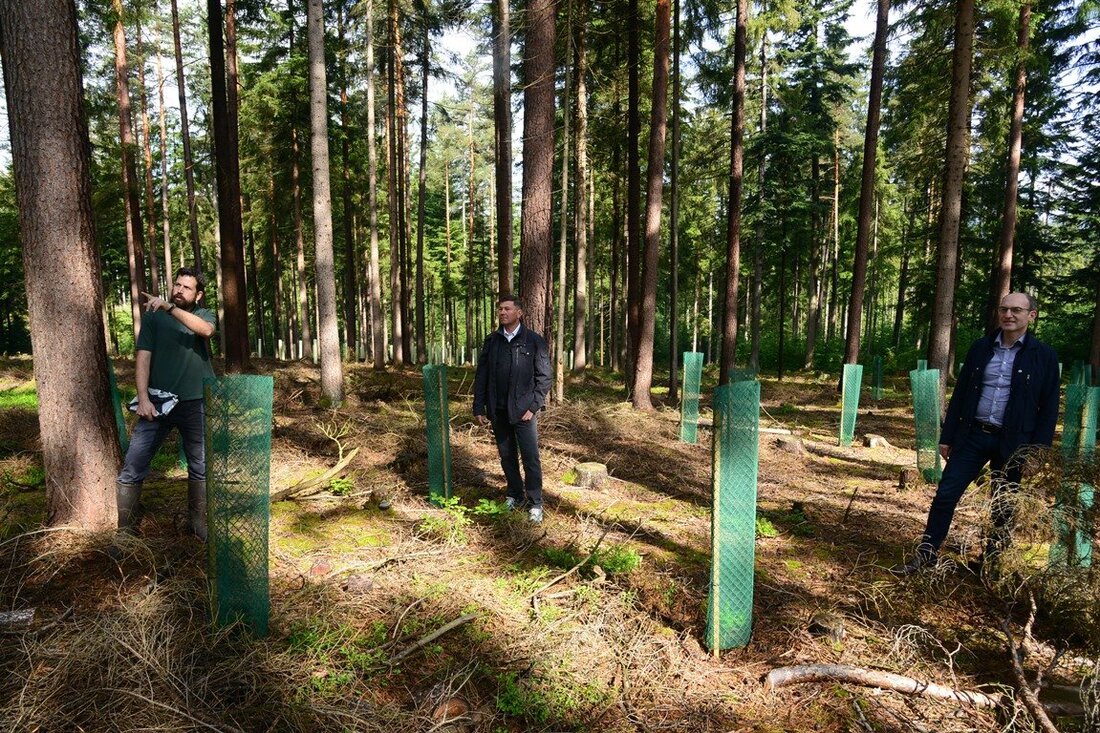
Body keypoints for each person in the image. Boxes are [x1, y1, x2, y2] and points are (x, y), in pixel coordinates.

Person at [892, 292, 1059, 574]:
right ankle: (927, 554)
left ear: (1031, 315)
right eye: (1003, 309)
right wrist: (948, 436)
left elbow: (1049, 408)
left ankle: (993, 564)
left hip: (1015, 443)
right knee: (946, 494)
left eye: (1016, 310)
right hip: (973, 436)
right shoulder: (981, 348)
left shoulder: (1043, 356)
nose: (1008, 315)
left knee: (1003, 505)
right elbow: (961, 394)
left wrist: (1036, 452)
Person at [116, 266, 217, 541]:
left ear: (198, 295)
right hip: (157, 404)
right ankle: (125, 532)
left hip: (195, 402)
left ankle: (197, 523)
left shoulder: (203, 314)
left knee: (200, 464)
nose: (179, 290)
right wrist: (144, 399)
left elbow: (206, 331)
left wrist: (170, 308)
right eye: (177, 285)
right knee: (134, 464)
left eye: (187, 287)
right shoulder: (153, 317)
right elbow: (143, 358)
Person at [473, 295, 552, 523]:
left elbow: (545, 377)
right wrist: (479, 406)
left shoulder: (533, 341)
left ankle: (535, 502)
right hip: (497, 411)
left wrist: (533, 406)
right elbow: (482, 375)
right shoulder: (492, 342)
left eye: (507, 309)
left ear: (519, 313)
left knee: (530, 458)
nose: (502, 312)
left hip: (523, 412)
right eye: (499, 309)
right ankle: (515, 495)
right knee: (507, 457)